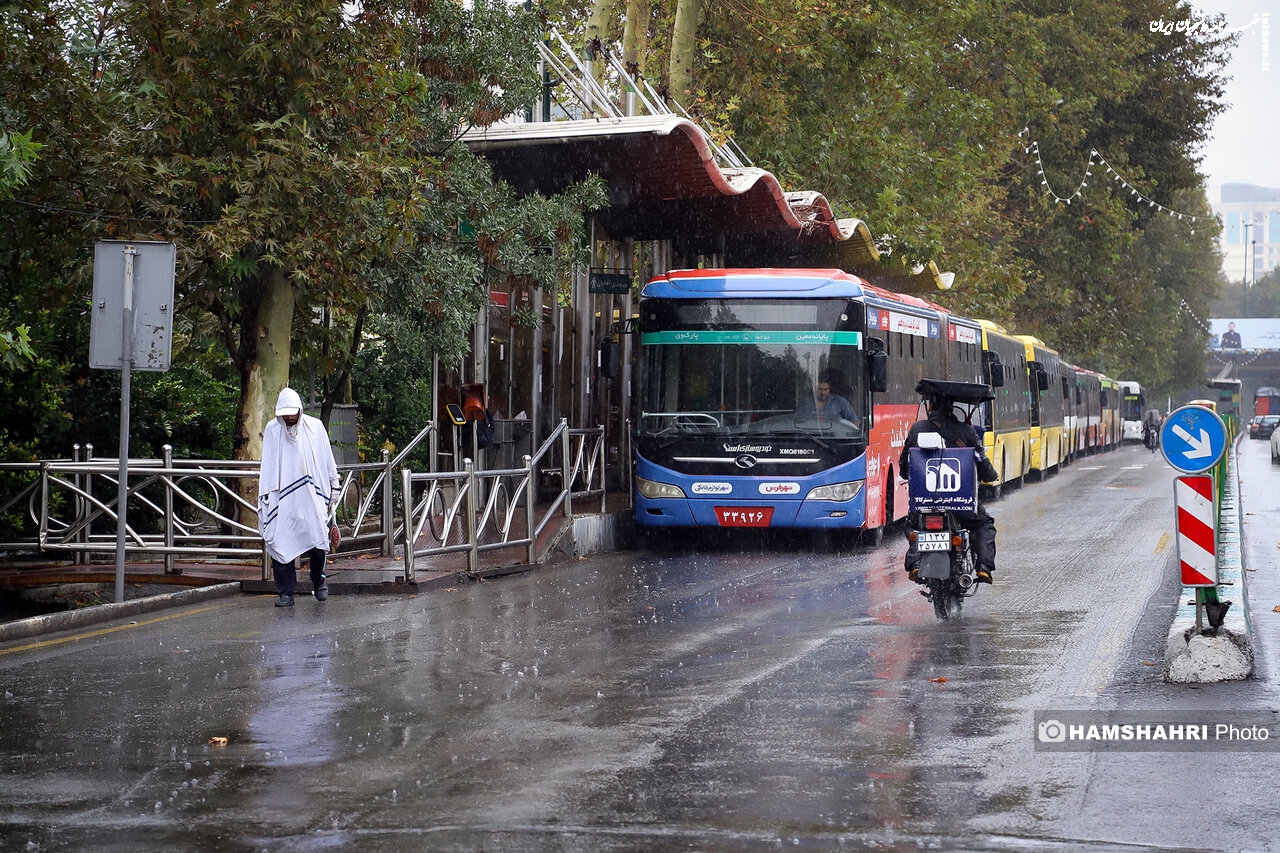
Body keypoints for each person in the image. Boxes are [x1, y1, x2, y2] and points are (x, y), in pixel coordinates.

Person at [898, 384, 999, 584]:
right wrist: (991, 475)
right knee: (984, 524)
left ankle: (916, 562)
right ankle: (984, 568)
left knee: (914, 525)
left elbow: (904, 467)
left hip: (925, 504)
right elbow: (984, 466)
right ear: (951, 407)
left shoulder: (917, 429)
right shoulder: (967, 432)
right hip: (961, 504)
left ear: (930, 407)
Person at [258, 388, 340, 607]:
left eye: (293, 413)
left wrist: (334, 484)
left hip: (312, 495)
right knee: (279, 540)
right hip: (281, 497)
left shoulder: (315, 427)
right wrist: (265, 496)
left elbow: (326, 456)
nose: (290, 417)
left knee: (317, 538)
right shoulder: (273, 430)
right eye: (286, 414)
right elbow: (268, 464)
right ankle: (286, 592)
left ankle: (319, 582)